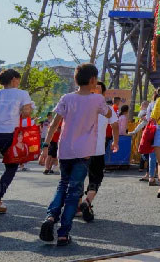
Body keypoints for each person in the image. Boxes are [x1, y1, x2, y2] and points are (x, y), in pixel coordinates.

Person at [38, 63, 112, 246]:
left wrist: (46, 146)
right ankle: (63, 233)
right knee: (74, 191)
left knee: (62, 185)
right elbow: (109, 114)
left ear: (76, 79)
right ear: (94, 80)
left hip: (65, 150)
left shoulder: (67, 98)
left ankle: (50, 218)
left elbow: (54, 123)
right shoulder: (97, 100)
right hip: (84, 151)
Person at [77, 81, 119, 223]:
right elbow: (115, 125)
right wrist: (115, 141)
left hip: (81, 149)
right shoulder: (108, 109)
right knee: (95, 178)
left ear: (102, 94)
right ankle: (87, 202)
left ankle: (78, 206)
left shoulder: (82, 106)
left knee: (79, 177)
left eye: (97, 90)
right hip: (96, 150)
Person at [0, 69, 32, 214]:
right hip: (10, 135)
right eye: (18, 79)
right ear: (14, 80)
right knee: (11, 168)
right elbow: (26, 114)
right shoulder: (22, 94)